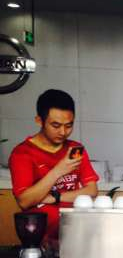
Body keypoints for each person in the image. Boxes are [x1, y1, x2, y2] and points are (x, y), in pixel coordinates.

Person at [9, 89, 99, 243]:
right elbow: (25, 201)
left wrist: (54, 198)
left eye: (68, 125)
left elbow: (91, 191)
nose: (63, 132)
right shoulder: (22, 153)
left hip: (75, 234)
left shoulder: (75, 149)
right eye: (55, 125)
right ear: (39, 121)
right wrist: (58, 171)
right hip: (41, 239)